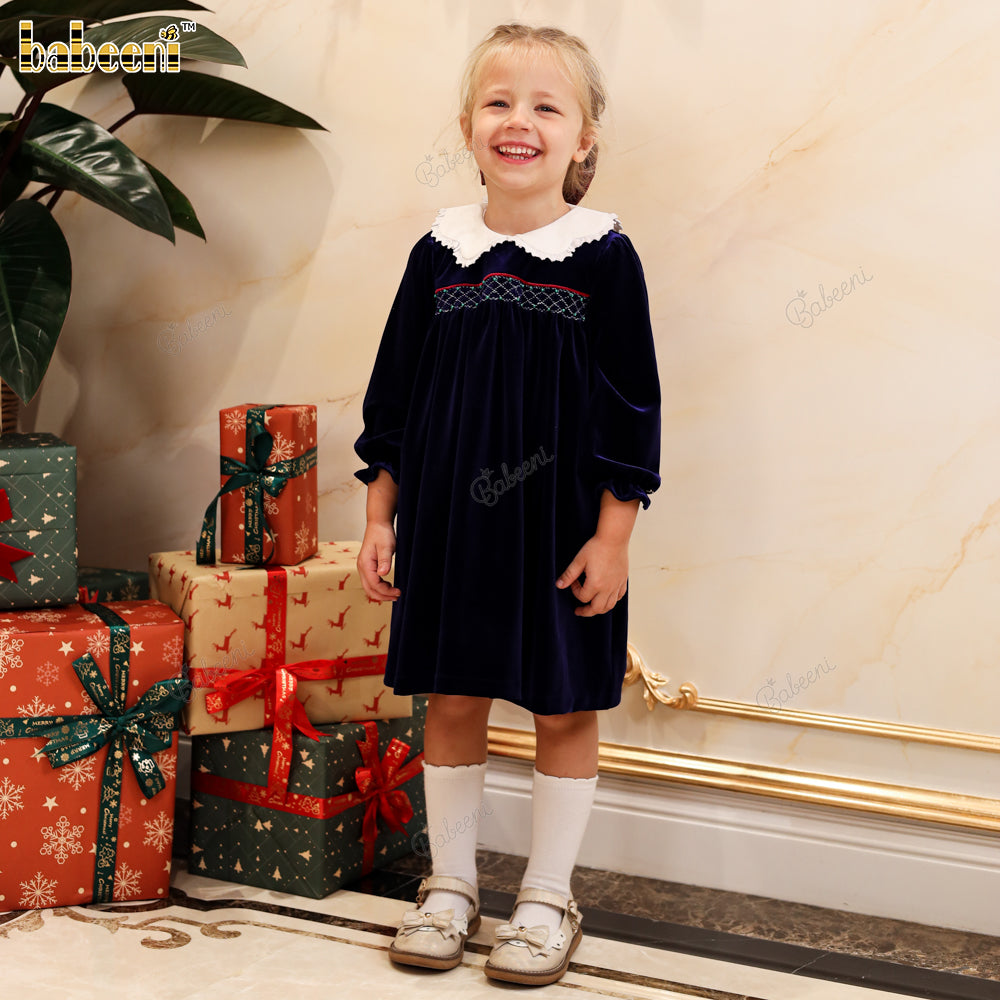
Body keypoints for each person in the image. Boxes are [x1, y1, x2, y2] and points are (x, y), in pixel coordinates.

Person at [353, 22, 660, 987]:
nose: (518, 121)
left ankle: (546, 897)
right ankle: (450, 887)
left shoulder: (604, 257)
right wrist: (380, 516)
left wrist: (613, 538)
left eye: (545, 106)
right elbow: (394, 398)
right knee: (453, 697)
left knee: (563, 707)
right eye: (498, 102)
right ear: (467, 126)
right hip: (450, 526)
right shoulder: (438, 254)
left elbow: (632, 408)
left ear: (584, 138)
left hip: (560, 531)